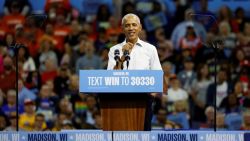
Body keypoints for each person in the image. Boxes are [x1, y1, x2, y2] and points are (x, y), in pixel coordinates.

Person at [106, 13, 166, 130]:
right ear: (122, 28)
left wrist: (151, 95)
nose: (131, 28)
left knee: (143, 134)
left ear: (140, 27)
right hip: (121, 100)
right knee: (122, 135)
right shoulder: (114, 50)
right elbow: (111, 77)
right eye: (127, 25)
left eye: (134, 25)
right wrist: (122, 57)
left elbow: (158, 74)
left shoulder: (150, 49)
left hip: (144, 100)